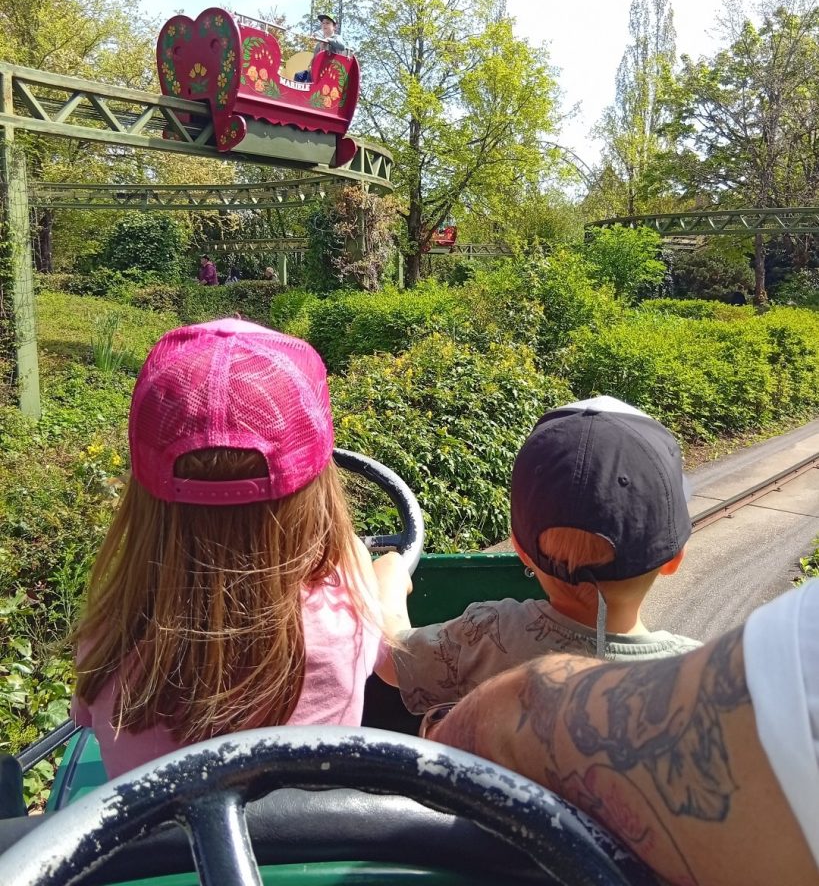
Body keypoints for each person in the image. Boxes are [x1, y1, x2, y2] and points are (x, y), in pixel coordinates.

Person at [70, 318, 411, 778]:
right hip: (311, 846)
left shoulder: (111, 635)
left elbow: (85, 719)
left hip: (162, 851)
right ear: (318, 486)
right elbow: (398, 659)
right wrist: (385, 581)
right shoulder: (346, 612)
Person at [428, 578, 819, 885]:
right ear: (672, 560)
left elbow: (519, 708)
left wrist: (432, 733)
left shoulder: (489, 625)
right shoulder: (689, 655)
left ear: (522, 549)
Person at [392, 397, 700, 716]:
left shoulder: (488, 634)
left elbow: (391, 661)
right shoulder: (697, 676)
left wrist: (389, 585)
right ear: (674, 559)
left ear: (521, 549)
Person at [294, 13, 346, 83]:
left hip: (328, 69)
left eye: (327, 23)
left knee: (311, 76)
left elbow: (342, 46)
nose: (324, 25)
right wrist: (311, 66)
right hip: (317, 68)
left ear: (334, 27)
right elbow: (315, 58)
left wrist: (328, 40)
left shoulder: (336, 38)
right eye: (323, 23)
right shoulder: (319, 43)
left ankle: (310, 90)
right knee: (299, 76)